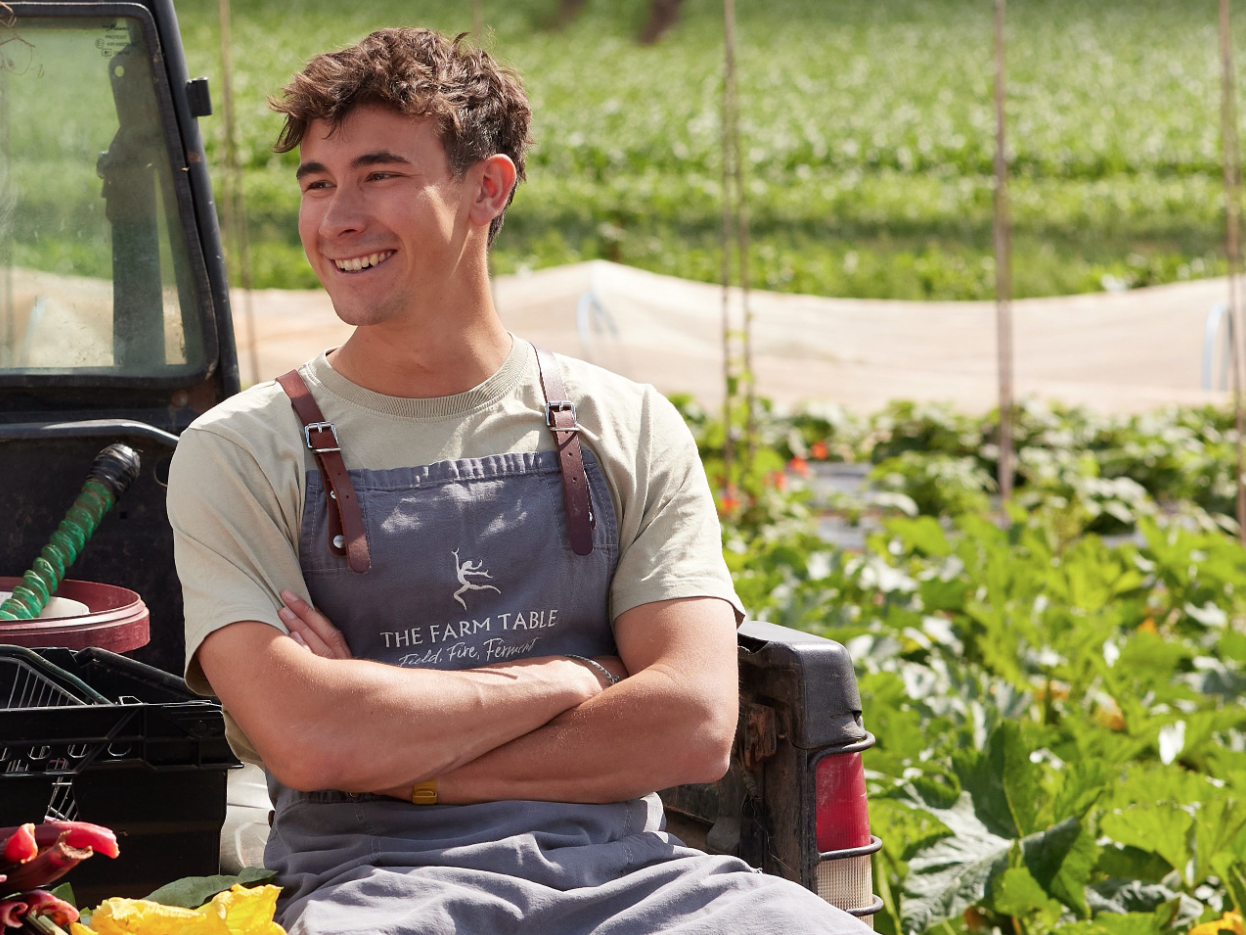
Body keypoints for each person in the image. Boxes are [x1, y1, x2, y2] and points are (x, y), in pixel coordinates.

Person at [169, 26, 871, 935]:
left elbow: (691, 724)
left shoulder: (629, 423)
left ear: (486, 188)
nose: (338, 216)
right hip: (375, 885)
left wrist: (403, 750)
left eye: (380, 175)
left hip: (635, 876)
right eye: (317, 182)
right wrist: (578, 674)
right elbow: (310, 738)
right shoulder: (240, 450)